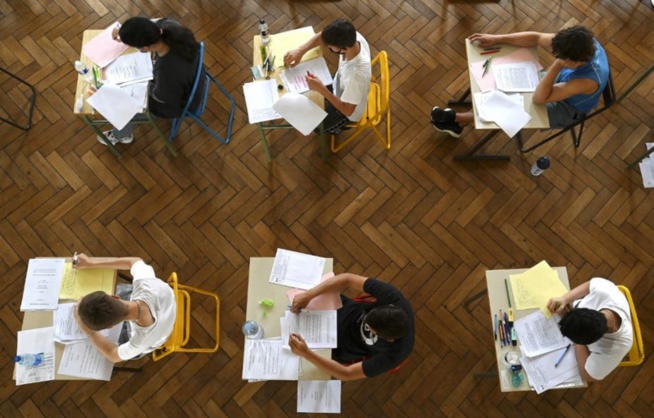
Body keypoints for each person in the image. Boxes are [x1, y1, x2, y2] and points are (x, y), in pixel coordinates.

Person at [430, 25, 609, 138]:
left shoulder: (588, 80)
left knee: (518, 109)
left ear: (573, 61)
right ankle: (459, 122)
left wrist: (557, 65)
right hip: (560, 84)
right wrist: (497, 39)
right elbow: (536, 38)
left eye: (561, 57)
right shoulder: (580, 42)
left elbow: (539, 99)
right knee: (505, 84)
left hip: (568, 107)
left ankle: (459, 119)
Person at [288, 273, 414, 381]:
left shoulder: (396, 354)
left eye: (371, 329)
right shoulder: (393, 297)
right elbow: (347, 278)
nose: (366, 326)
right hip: (334, 309)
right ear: (390, 306)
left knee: (291, 358)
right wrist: (309, 295)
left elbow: (346, 374)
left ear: (389, 339)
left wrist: (307, 354)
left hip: (337, 347)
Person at [99, 17, 203, 145]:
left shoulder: (166, 69)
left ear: (145, 48)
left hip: (176, 103)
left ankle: (120, 135)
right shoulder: (170, 25)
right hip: (194, 75)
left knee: (126, 111)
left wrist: (143, 85)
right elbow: (151, 22)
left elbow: (163, 97)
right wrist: (126, 31)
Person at [73, 254, 176, 362]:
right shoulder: (145, 284)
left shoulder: (141, 339)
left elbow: (113, 356)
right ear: (114, 296)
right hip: (169, 301)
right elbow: (135, 261)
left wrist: (86, 329)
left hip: (160, 333)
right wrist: (91, 262)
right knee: (122, 288)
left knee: (127, 349)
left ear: (110, 326)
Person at [283, 19, 371, 134]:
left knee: (317, 127)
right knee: (307, 92)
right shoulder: (353, 37)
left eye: (330, 47)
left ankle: (335, 129)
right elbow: (323, 36)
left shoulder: (356, 76)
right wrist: (300, 51)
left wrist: (322, 90)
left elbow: (348, 110)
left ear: (344, 49)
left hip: (346, 112)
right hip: (340, 85)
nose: (328, 48)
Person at [547, 278, 632, 382]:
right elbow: (590, 284)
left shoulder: (615, 348)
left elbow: (588, 377)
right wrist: (564, 299)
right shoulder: (607, 292)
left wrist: (578, 344)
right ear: (589, 310)